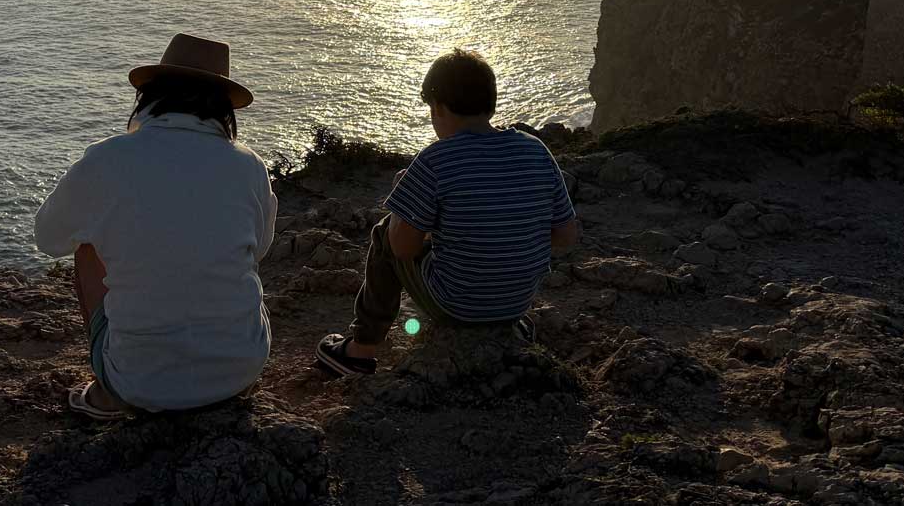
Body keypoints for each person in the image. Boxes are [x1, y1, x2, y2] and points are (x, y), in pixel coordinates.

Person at [35, 33, 277, 418]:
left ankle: (109, 391)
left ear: (149, 95)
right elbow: (259, 250)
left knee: (86, 243)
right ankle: (218, 371)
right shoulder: (250, 166)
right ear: (224, 107)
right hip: (241, 371)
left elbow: (49, 238)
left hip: (139, 384)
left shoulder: (107, 158)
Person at [315, 48, 579, 375]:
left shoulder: (435, 160)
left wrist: (406, 203)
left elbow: (402, 248)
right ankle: (504, 323)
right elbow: (566, 236)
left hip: (457, 308)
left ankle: (361, 349)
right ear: (490, 103)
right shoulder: (536, 150)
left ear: (438, 107)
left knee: (385, 233)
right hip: (516, 304)